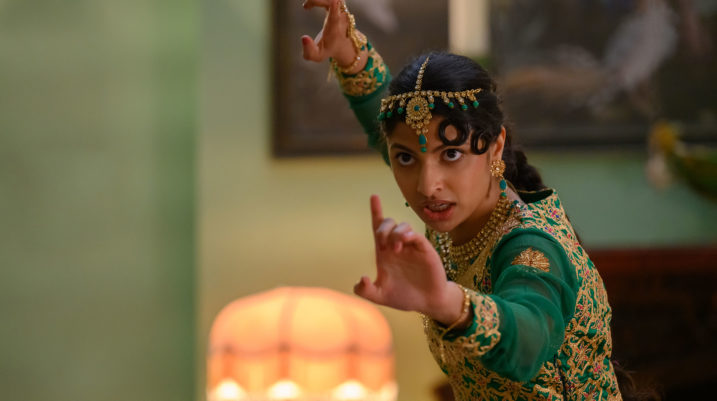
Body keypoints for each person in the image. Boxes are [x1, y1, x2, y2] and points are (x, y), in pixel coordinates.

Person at [300, 1, 626, 400]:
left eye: (451, 154)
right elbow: (386, 125)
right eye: (406, 159)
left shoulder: (531, 245)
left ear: (495, 146)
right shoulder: (455, 206)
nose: (428, 185)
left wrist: (447, 302)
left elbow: (527, 338)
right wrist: (348, 53)